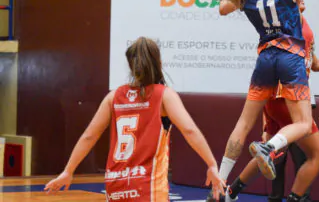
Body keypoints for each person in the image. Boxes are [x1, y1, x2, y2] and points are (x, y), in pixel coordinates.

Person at [205, 0, 319, 200]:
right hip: (289, 57)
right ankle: (272, 146)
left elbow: (222, 9)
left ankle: (221, 185)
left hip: (264, 58)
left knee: (243, 124)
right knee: (304, 124)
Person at [223, 0, 319, 202]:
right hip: (288, 97)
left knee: (274, 152)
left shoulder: (303, 25)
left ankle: (230, 193)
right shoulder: (289, 21)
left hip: (278, 97)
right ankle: (293, 197)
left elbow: (314, 63)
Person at [44, 37, 225, 201]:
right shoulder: (164, 96)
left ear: (130, 65)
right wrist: (211, 164)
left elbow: (89, 136)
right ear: (157, 62)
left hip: (116, 186)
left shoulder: (113, 97)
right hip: (147, 186)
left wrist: (68, 171)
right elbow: (189, 130)